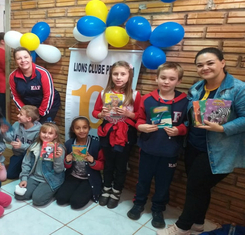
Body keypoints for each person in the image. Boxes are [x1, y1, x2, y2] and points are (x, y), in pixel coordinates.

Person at [157, 48, 245, 235]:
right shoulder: (197, 88)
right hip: (193, 146)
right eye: (200, 65)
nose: (205, 68)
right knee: (201, 189)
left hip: (217, 150)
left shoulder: (238, 88)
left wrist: (222, 128)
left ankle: (182, 227)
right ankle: (198, 224)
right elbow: (191, 116)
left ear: (222, 62)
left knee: (195, 188)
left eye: (210, 63)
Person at [127, 62, 188, 229]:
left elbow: (189, 123)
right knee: (143, 180)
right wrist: (141, 127)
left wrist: (179, 130)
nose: (166, 81)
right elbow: (139, 118)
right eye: (163, 78)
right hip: (148, 148)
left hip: (170, 151)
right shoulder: (148, 99)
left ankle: (158, 209)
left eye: (171, 79)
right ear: (156, 78)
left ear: (179, 81)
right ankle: (139, 203)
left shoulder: (185, 101)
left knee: (163, 183)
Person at [92, 61, 141, 209]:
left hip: (125, 134)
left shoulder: (134, 94)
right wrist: (101, 113)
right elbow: (95, 112)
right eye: (115, 74)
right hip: (107, 131)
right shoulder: (104, 93)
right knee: (108, 162)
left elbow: (140, 115)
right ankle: (106, 188)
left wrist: (128, 113)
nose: (119, 77)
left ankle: (116, 191)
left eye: (123, 74)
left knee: (121, 164)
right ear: (111, 75)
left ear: (129, 75)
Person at [55, 116, 105, 209]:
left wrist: (93, 162)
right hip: (73, 176)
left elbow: (102, 165)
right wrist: (67, 160)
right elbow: (66, 166)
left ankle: (89, 190)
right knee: (60, 199)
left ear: (89, 128)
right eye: (78, 128)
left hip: (89, 179)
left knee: (75, 203)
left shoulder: (96, 144)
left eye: (84, 127)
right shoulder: (69, 144)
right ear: (73, 130)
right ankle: (76, 189)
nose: (81, 131)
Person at [15, 122, 65, 206]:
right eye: (44, 132)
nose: (46, 135)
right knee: (19, 195)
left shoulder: (59, 149)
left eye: (50, 133)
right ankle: (37, 189)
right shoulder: (34, 145)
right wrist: (24, 178)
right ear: (39, 133)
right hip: (34, 177)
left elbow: (59, 170)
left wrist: (57, 158)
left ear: (55, 136)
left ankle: (54, 190)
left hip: (50, 179)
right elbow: (26, 163)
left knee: (38, 200)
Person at [9, 47, 61, 123]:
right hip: (30, 106)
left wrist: (39, 114)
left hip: (48, 104)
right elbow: (15, 97)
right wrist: (25, 112)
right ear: (15, 61)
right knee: (29, 128)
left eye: (26, 57)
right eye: (19, 58)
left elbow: (48, 95)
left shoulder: (43, 73)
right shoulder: (12, 76)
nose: (23, 60)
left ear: (31, 58)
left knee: (42, 128)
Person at [1, 105, 41, 179]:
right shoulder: (16, 124)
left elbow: (37, 148)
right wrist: (4, 133)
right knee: (10, 175)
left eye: (21, 114)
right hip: (18, 154)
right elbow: (10, 139)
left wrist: (22, 146)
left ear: (29, 119)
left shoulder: (39, 131)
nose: (17, 115)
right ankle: (22, 169)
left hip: (30, 157)